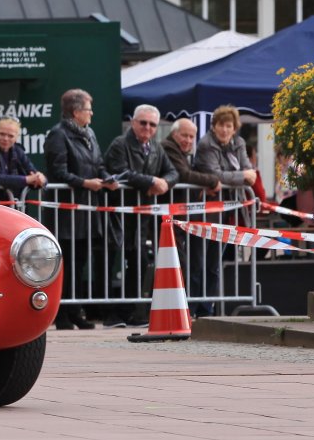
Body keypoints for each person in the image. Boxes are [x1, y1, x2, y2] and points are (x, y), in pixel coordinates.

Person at [44, 89, 116, 330]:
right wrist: (85, 183)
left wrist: (107, 179)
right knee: (65, 264)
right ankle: (61, 314)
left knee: (79, 263)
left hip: (86, 212)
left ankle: (75, 311)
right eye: (88, 109)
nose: (91, 113)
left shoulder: (90, 133)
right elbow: (58, 172)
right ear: (76, 112)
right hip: (65, 214)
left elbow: (99, 164)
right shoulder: (58, 134)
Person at [105, 104, 179, 327]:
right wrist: (151, 182)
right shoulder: (120, 144)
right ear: (133, 122)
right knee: (112, 263)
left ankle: (131, 312)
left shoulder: (156, 147)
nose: (148, 127)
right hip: (118, 214)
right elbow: (121, 171)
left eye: (152, 124)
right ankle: (110, 314)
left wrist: (164, 183)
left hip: (141, 218)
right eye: (143, 122)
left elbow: (173, 172)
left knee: (139, 262)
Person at [192, 105, 260, 312]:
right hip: (204, 210)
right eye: (221, 125)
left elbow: (249, 171)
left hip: (228, 210)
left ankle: (207, 309)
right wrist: (242, 176)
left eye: (229, 126)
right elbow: (216, 174)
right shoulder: (206, 144)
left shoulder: (238, 143)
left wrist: (242, 176)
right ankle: (193, 307)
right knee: (199, 262)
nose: (224, 130)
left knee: (214, 263)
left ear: (234, 128)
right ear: (214, 126)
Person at [162, 118, 222, 317]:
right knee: (182, 265)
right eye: (184, 135)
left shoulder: (183, 152)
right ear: (174, 134)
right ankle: (180, 310)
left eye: (191, 137)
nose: (188, 140)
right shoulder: (168, 147)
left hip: (182, 217)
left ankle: (188, 309)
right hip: (169, 218)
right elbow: (183, 175)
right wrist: (212, 180)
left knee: (191, 265)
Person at [0, 117, 46, 198]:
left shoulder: (18, 151)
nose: (5, 138)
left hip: (13, 203)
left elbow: (34, 174)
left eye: (10, 136)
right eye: (2, 134)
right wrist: (25, 180)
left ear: (16, 137)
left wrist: (40, 179)